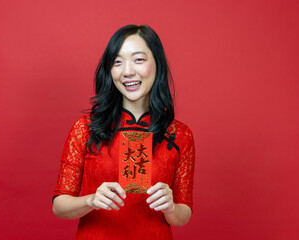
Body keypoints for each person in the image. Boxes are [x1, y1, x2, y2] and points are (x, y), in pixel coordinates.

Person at [52, 25, 195, 240]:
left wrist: (171, 207)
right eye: (117, 62)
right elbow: (60, 206)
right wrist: (91, 200)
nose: (127, 71)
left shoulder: (179, 135)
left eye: (138, 59)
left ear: (157, 64)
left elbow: (183, 215)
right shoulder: (86, 128)